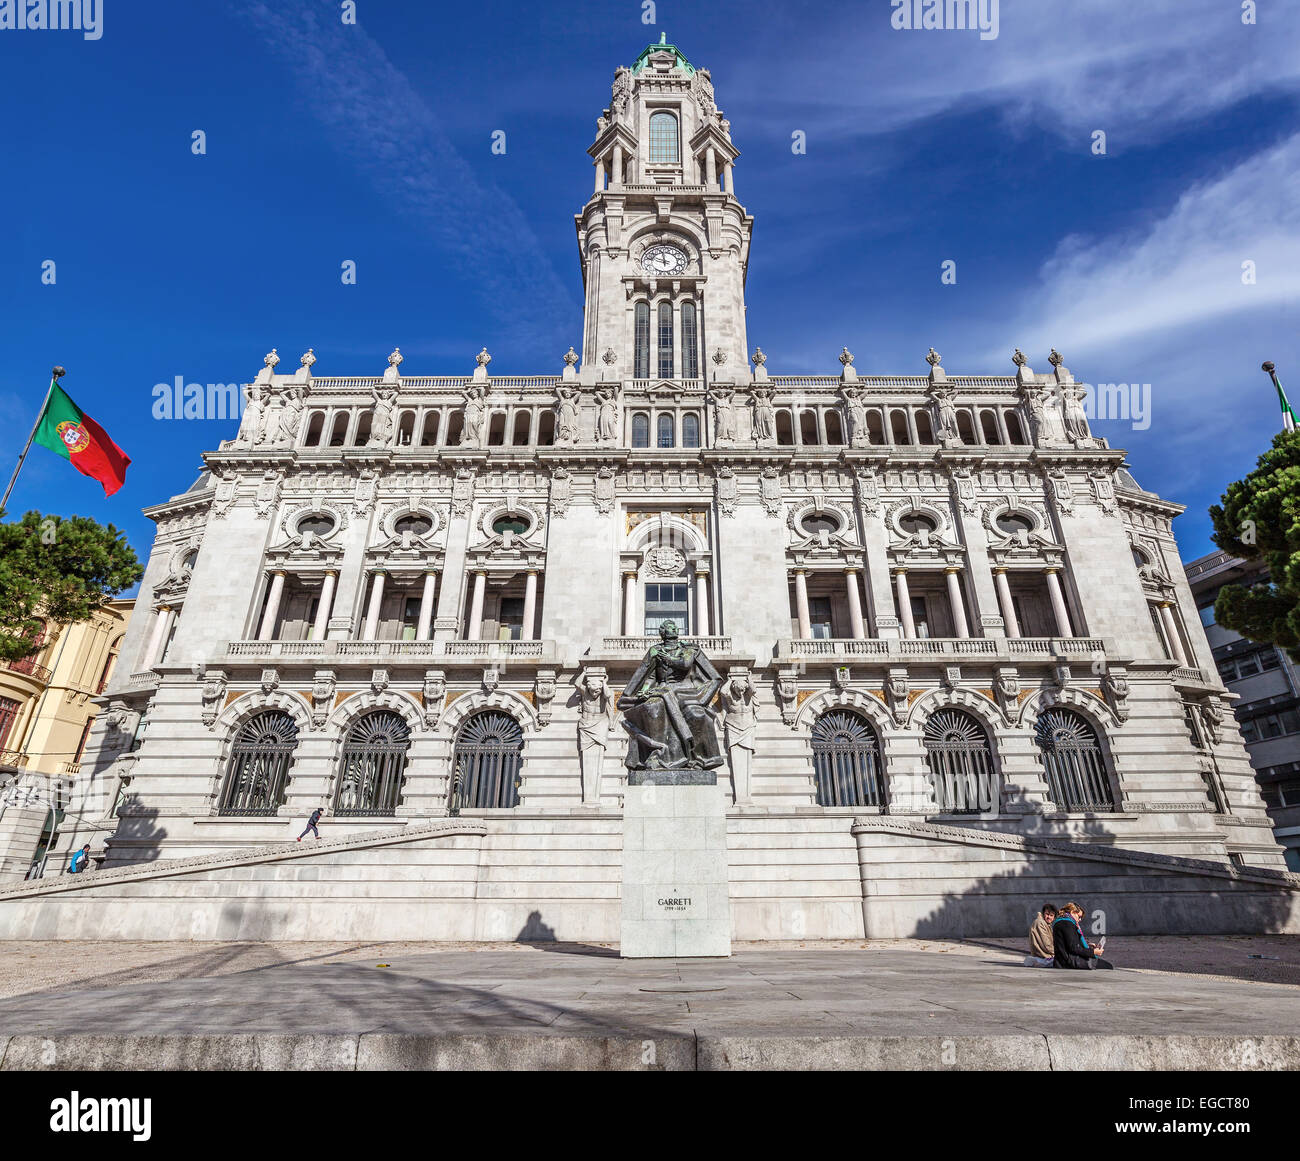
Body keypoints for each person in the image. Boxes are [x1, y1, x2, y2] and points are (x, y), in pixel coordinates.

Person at [1053, 901, 1113, 969]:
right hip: (1070, 962)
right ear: (1073, 912)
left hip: (1063, 961)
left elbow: (1070, 943)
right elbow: (1074, 948)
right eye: (1079, 916)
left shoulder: (1061, 921)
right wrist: (1093, 952)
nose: (1080, 919)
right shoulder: (1067, 924)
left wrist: (1088, 945)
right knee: (1108, 966)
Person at [1024, 902, 1057, 967]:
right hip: (1042, 956)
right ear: (1043, 913)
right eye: (1047, 914)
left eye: (1051, 915)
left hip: (1045, 956)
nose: (1049, 917)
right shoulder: (1040, 923)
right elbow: (1046, 944)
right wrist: (1057, 953)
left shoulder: (1047, 924)